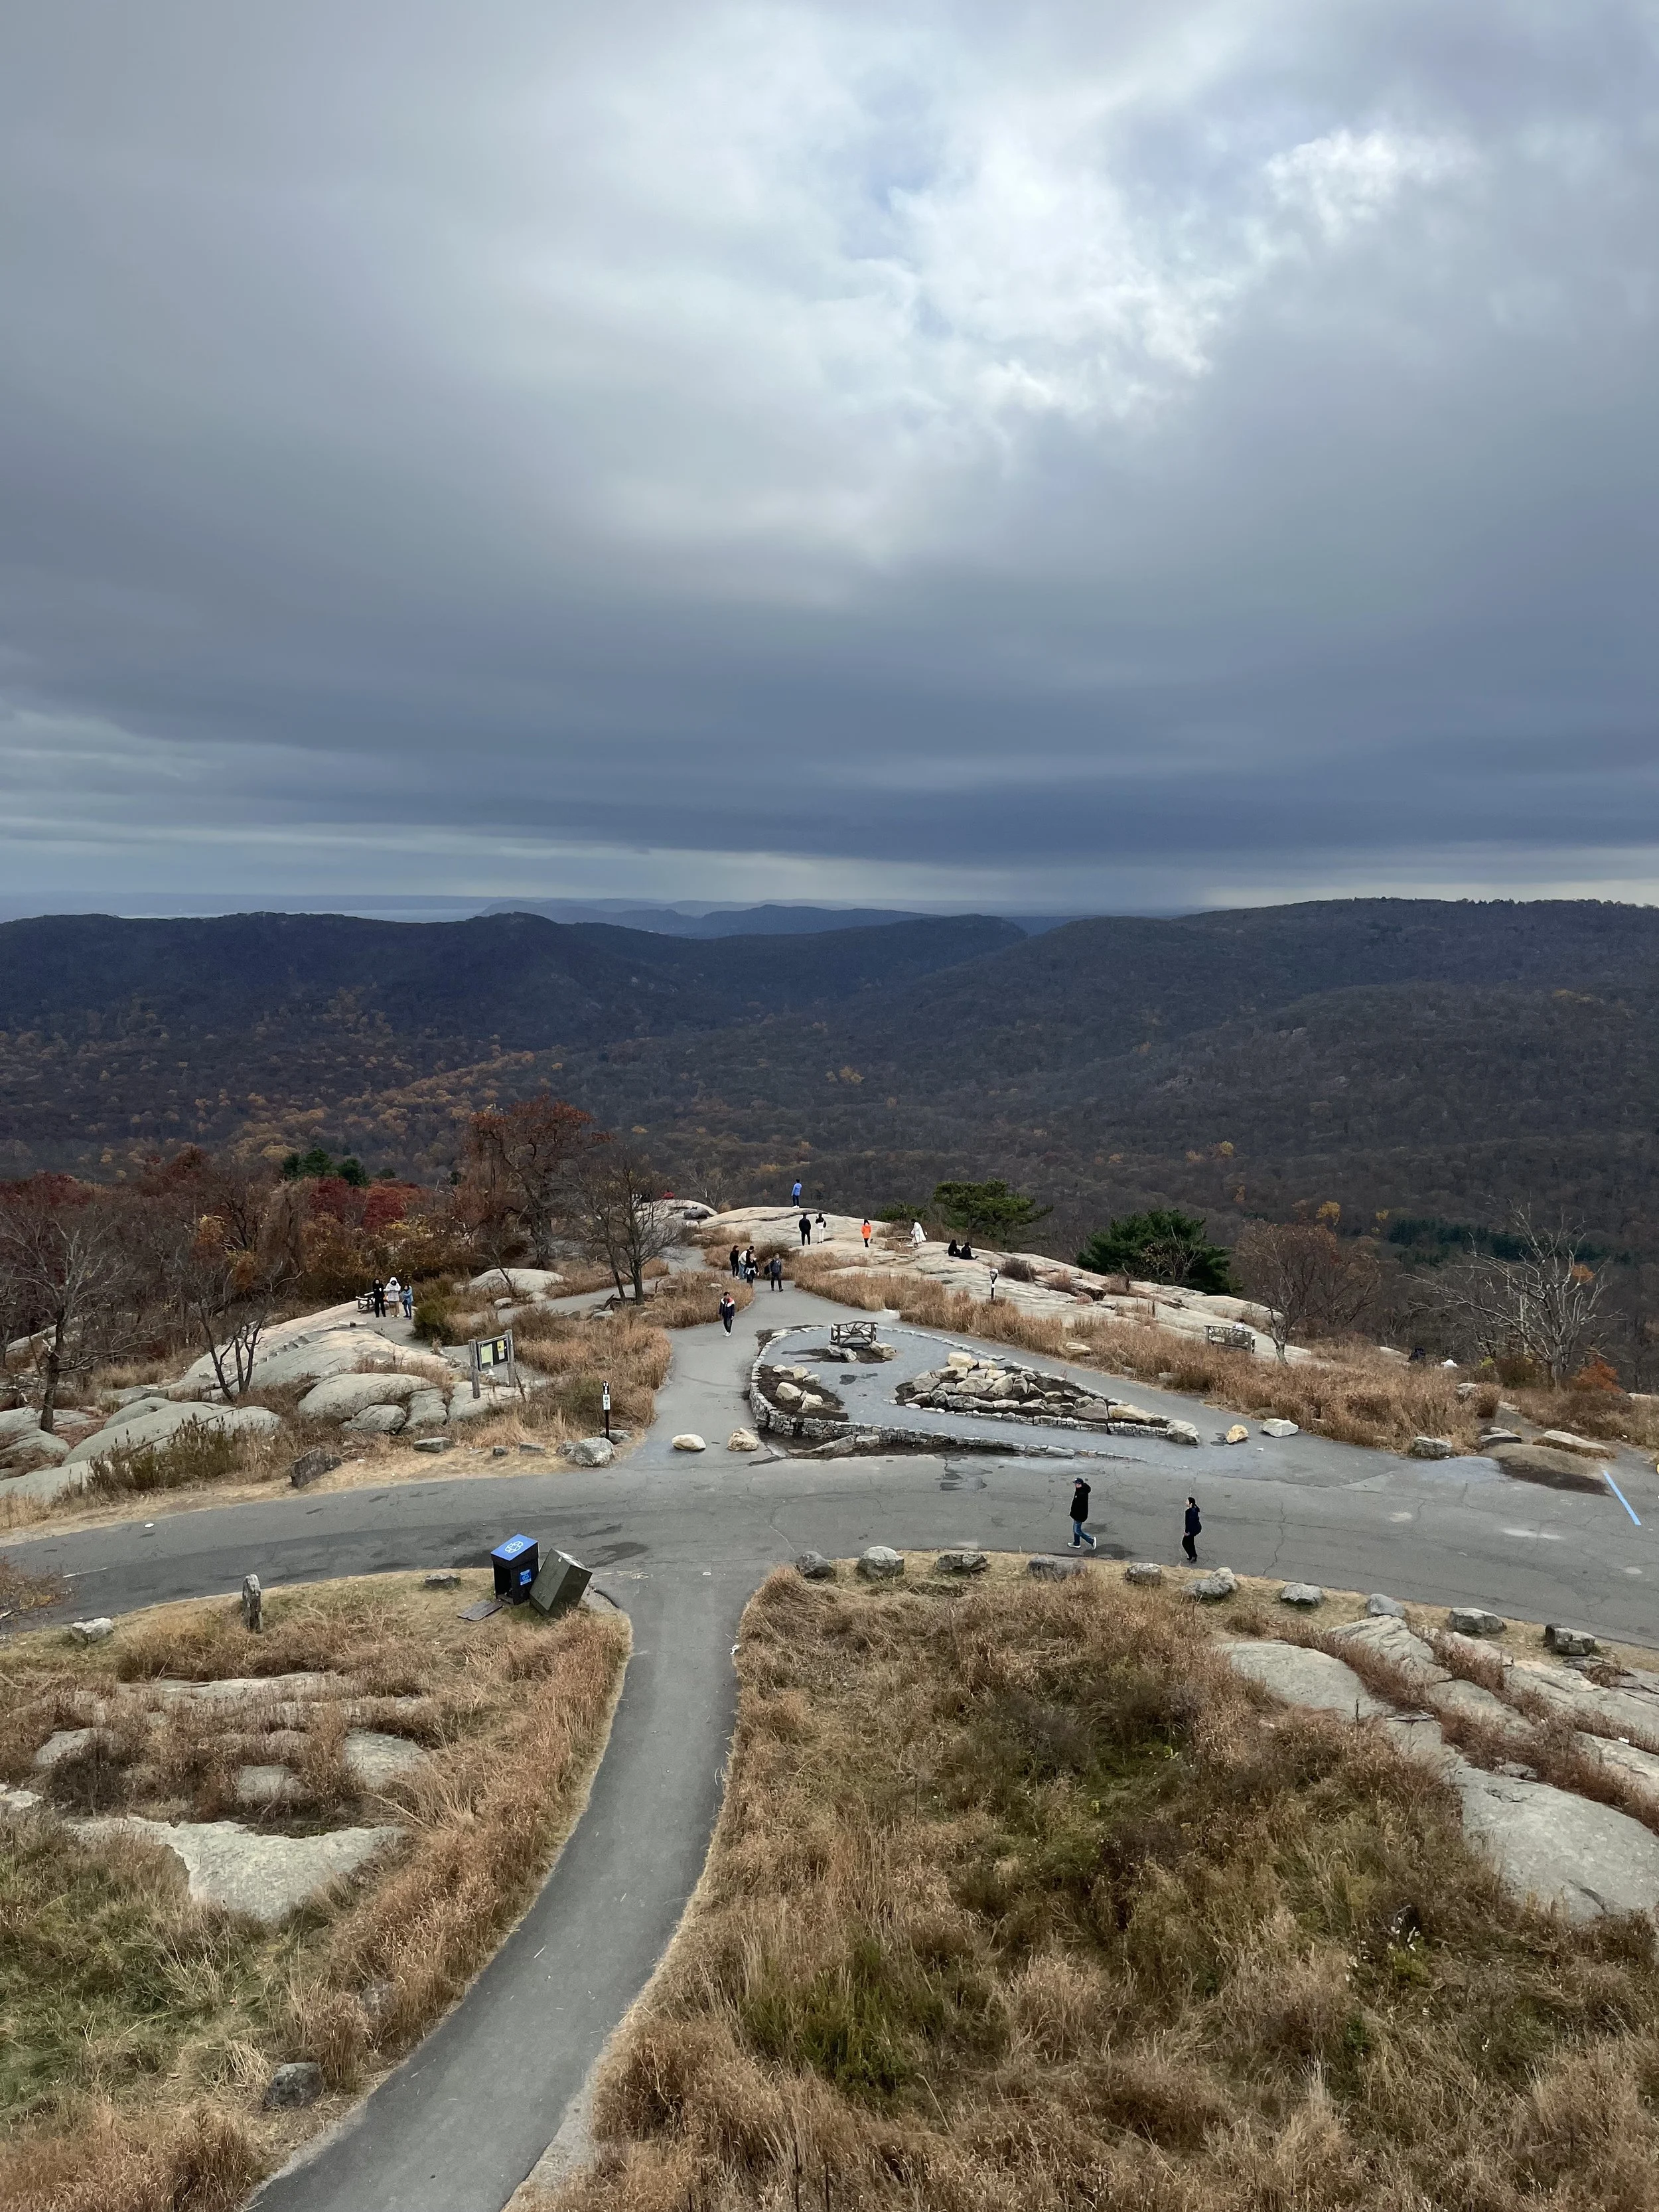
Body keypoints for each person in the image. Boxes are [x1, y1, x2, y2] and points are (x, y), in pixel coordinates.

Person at [1069, 1477, 1097, 1550]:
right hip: (1077, 1515)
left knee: (1077, 1530)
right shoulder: (1081, 1490)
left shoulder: (1081, 1494)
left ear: (1079, 1484)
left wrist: (1074, 1513)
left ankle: (1091, 1540)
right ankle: (1076, 1543)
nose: (1075, 1485)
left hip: (1079, 1516)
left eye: (1076, 1484)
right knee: (1076, 1529)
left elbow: (1079, 1506)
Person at [1183, 1496, 1202, 1563]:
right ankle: (1193, 1556)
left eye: (1187, 1501)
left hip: (1193, 1530)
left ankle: (1192, 1556)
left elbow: (1190, 1523)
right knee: (1190, 1542)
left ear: (1191, 1504)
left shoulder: (1191, 1512)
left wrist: (1188, 1532)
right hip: (1195, 1529)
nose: (1185, 1502)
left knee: (1184, 1543)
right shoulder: (1194, 1509)